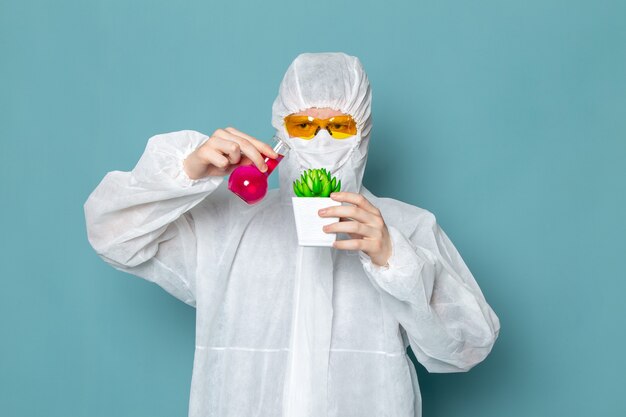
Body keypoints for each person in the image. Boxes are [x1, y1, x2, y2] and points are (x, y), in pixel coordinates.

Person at [84, 52, 500, 417]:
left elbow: (467, 347)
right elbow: (113, 236)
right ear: (280, 131)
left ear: (363, 130)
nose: (320, 138)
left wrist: (395, 258)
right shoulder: (227, 224)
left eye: (338, 125)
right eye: (303, 125)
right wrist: (186, 174)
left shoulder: (403, 227)